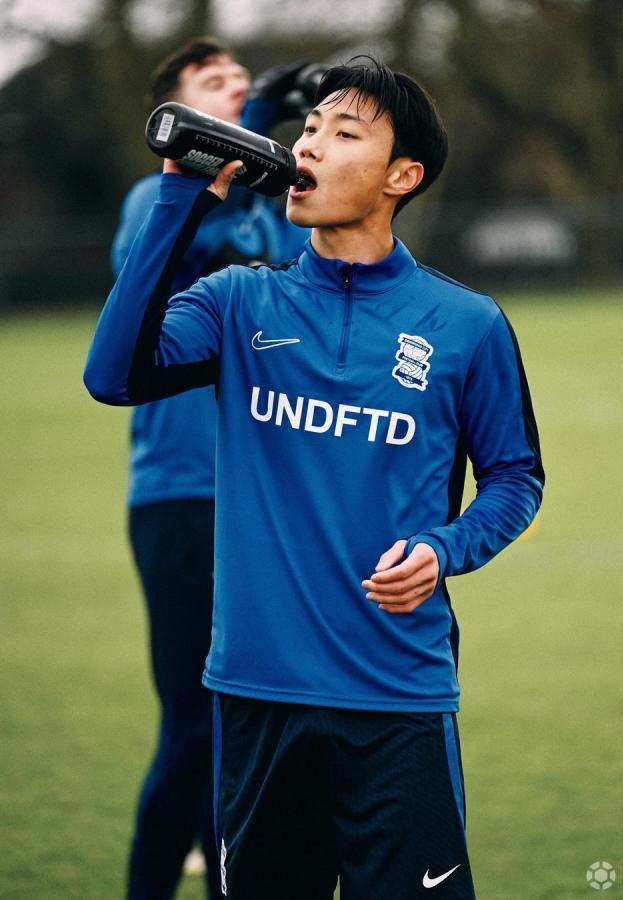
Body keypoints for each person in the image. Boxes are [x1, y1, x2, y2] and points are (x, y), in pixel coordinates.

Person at [86, 57, 545, 899]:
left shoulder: (467, 324)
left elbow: (516, 477)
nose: (308, 146)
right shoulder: (237, 302)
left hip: (398, 698)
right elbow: (111, 374)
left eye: (343, 133)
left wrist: (445, 550)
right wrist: (180, 196)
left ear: (402, 176)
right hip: (255, 696)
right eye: (307, 129)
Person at [110, 38, 308, 900]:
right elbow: (149, 277)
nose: (236, 86)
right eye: (214, 82)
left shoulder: (274, 213)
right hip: (183, 494)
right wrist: (250, 121)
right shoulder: (152, 200)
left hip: (266, 495)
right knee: (193, 728)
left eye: (243, 80)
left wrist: (275, 141)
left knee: (249, 725)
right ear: (177, 106)